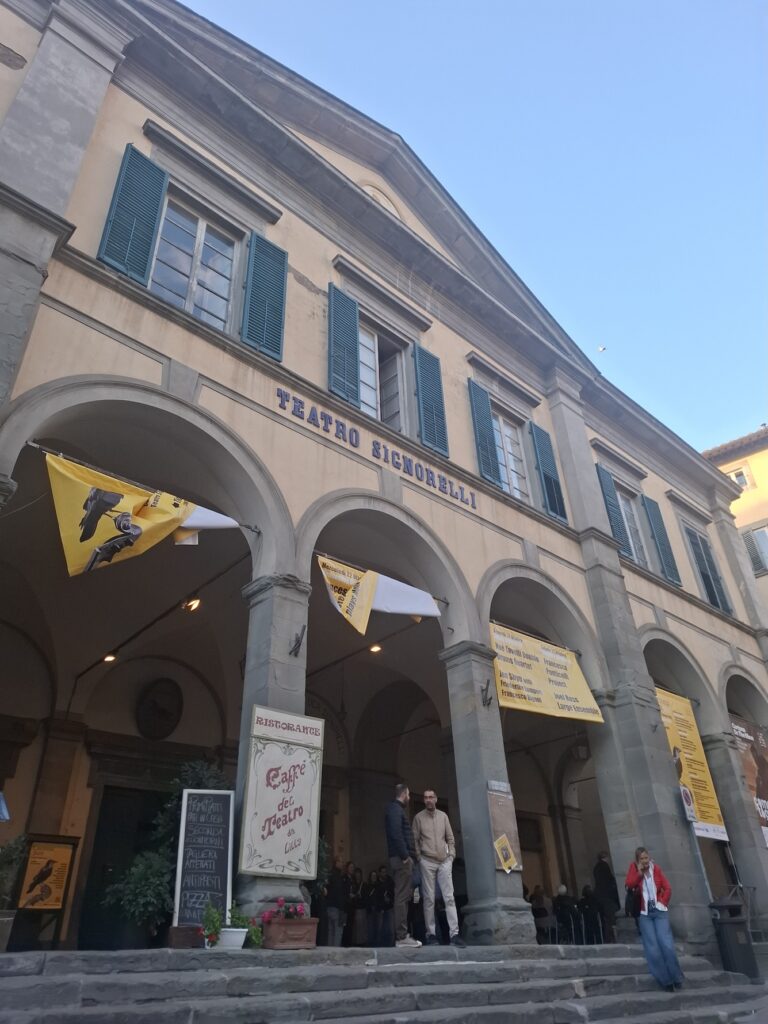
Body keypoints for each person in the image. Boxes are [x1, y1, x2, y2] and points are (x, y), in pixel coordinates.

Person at [625, 846, 684, 992]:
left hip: (659, 911)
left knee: (667, 945)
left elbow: (667, 887)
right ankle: (665, 980)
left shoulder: (656, 869)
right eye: (641, 859)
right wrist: (639, 872)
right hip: (645, 913)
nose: (645, 861)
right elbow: (629, 884)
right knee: (653, 948)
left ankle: (676, 977)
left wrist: (662, 902)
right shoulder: (634, 869)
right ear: (637, 860)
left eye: (646, 858)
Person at [412, 788, 466, 947]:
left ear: (436, 799)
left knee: (449, 897)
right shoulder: (418, 818)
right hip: (426, 861)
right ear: (424, 800)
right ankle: (431, 935)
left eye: (431, 797)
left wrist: (451, 856)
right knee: (428, 899)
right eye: (425, 797)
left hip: (444, 861)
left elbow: (450, 838)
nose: (428, 800)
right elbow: (414, 839)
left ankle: (454, 934)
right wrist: (419, 857)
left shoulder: (443, 816)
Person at [384, 782, 421, 947]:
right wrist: (406, 856)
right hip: (401, 859)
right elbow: (396, 833)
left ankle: (402, 935)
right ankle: (401, 936)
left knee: (403, 897)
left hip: (401, 859)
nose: (410, 797)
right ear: (404, 794)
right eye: (409, 794)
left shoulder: (395, 810)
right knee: (401, 897)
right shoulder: (395, 810)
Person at [593, 851, 620, 942]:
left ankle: (608, 938)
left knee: (605, 919)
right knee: (611, 917)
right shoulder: (604, 866)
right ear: (605, 857)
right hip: (607, 896)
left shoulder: (596, 867)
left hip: (599, 896)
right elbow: (609, 880)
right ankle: (613, 937)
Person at [325, 855, 349, 946]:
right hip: (337, 908)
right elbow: (339, 894)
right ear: (336, 862)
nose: (343, 864)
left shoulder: (329, 875)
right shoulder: (338, 877)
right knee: (338, 932)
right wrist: (342, 909)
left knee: (331, 931)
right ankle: (335, 953)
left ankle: (330, 952)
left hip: (329, 906)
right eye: (341, 862)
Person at [377, 863, 395, 946]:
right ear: (380, 873)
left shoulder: (390, 881)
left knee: (391, 928)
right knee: (380, 928)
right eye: (382, 872)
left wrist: (390, 899)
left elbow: (393, 892)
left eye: (385, 872)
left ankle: (391, 944)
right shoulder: (377, 882)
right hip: (381, 908)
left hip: (389, 906)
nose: (384, 873)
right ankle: (381, 944)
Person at [363, 869, 381, 947]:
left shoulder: (378, 886)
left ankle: (377, 943)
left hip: (377, 909)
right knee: (370, 927)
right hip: (370, 909)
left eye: (375, 876)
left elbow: (380, 897)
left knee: (378, 927)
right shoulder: (367, 886)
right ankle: (370, 943)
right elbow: (366, 898)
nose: (374, 877)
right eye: (372, 876)